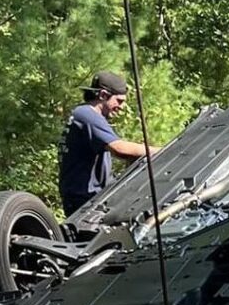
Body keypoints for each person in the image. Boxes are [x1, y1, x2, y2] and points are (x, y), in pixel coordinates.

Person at [58, 71, 157, 215]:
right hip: (85, 202)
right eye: (119, 101)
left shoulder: (82, 114)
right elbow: (119, 149)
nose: (122, 107)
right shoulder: (87, 115)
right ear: (103, 95)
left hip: (86, 198)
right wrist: (164, 150)